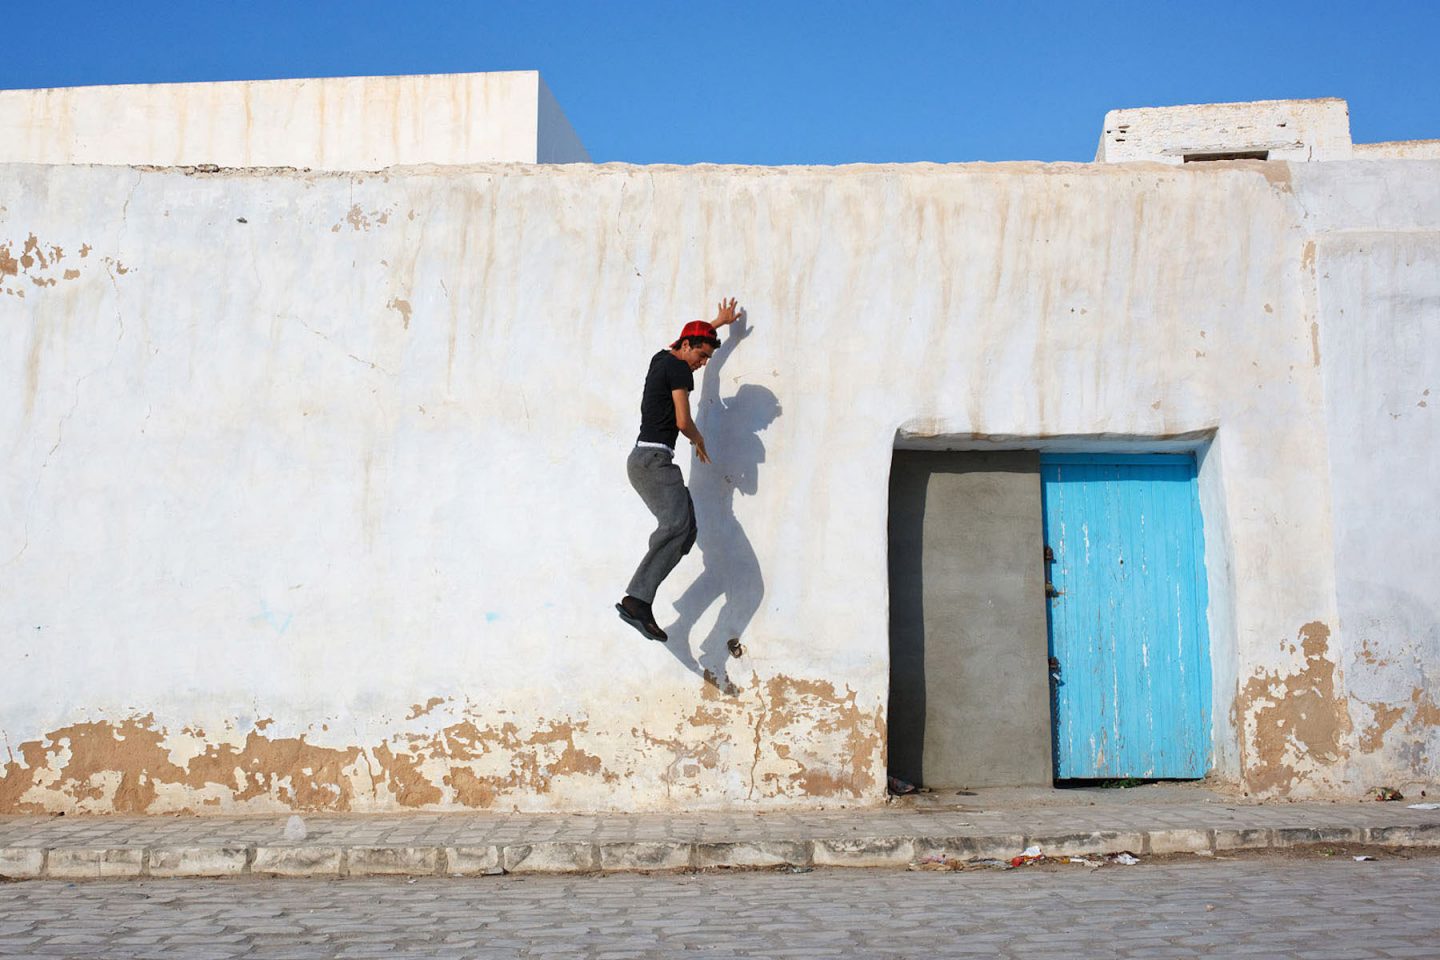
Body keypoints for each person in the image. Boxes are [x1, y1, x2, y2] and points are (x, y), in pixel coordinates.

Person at [617, 298, 742, 641]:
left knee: (686, 533)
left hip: (646, 460)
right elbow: (683, 420)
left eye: (707, 359)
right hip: (654, 460)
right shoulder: (679, 369)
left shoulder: (663, 358)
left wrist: (716, 324)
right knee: (675, 525)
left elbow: (689, 338)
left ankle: (672, 605)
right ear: (686, 347)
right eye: (701, 356)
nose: (703, 364)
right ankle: (637, 600)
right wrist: (699, 439)